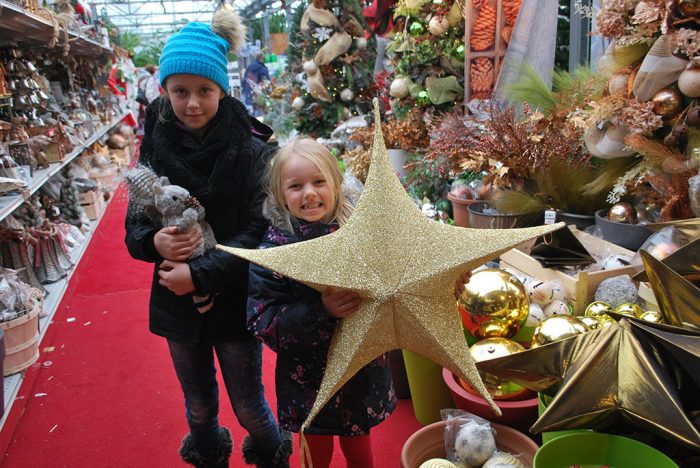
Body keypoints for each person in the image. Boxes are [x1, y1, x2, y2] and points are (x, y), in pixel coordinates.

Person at [124, 6, 291, 468]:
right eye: (180, 91)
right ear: (164, 91)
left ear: (222, 89)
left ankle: (272, 455)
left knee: (249, 404)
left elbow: (260, 229)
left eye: (204, 90)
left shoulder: (253, 149)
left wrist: (201, 272)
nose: (192, 103)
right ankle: (207, 454)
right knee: (197, 404)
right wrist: (153, 244)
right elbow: (134, 226)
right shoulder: (153, 145)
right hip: (175, 302)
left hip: (235, 298)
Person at [246, 139, 396, 468]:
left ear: (335, 185)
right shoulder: (274, 251)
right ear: (280, 192)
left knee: (360, 450)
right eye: (296, 186)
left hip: (360, 371)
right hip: (308, 379)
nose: (309, 193)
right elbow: (263, 321)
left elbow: (395, 277)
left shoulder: (361, 234)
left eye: (318, 182)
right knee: (316, 451)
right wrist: (321, 311)